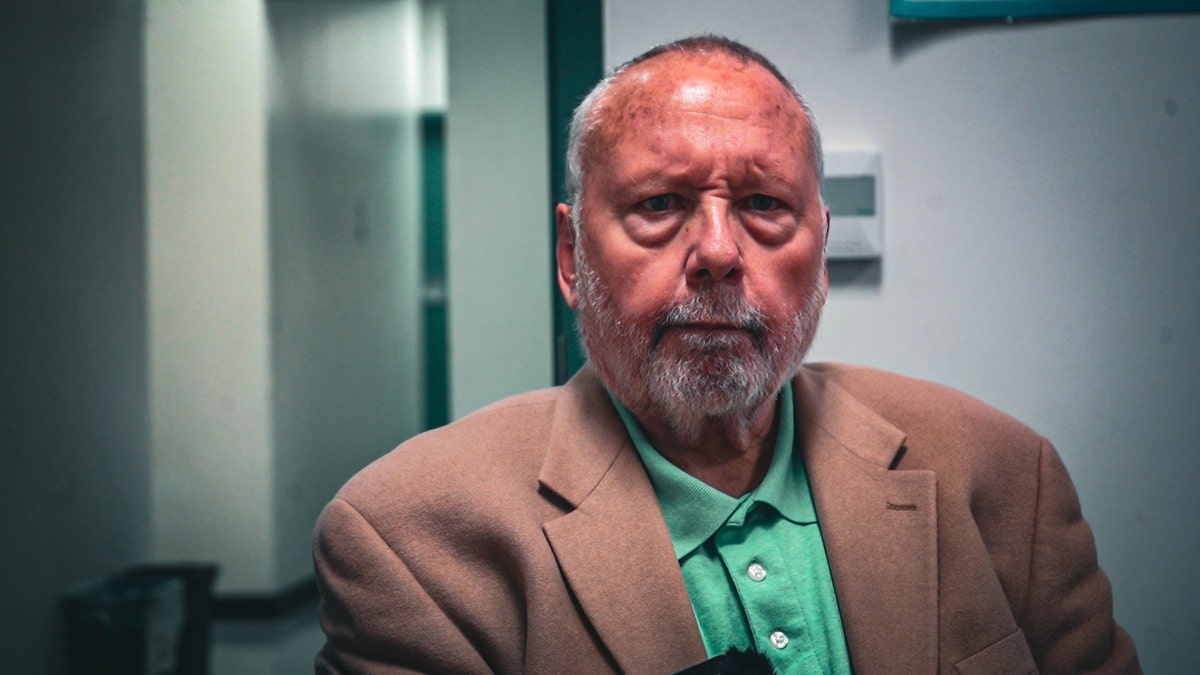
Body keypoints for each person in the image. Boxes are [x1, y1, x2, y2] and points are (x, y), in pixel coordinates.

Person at [312, 35, 1139, 674]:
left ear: (817, 246)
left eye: (764, 205)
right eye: (661, 203)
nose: (716, 251)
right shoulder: (408, 540)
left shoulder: (1003, 474)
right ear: (571, 258)